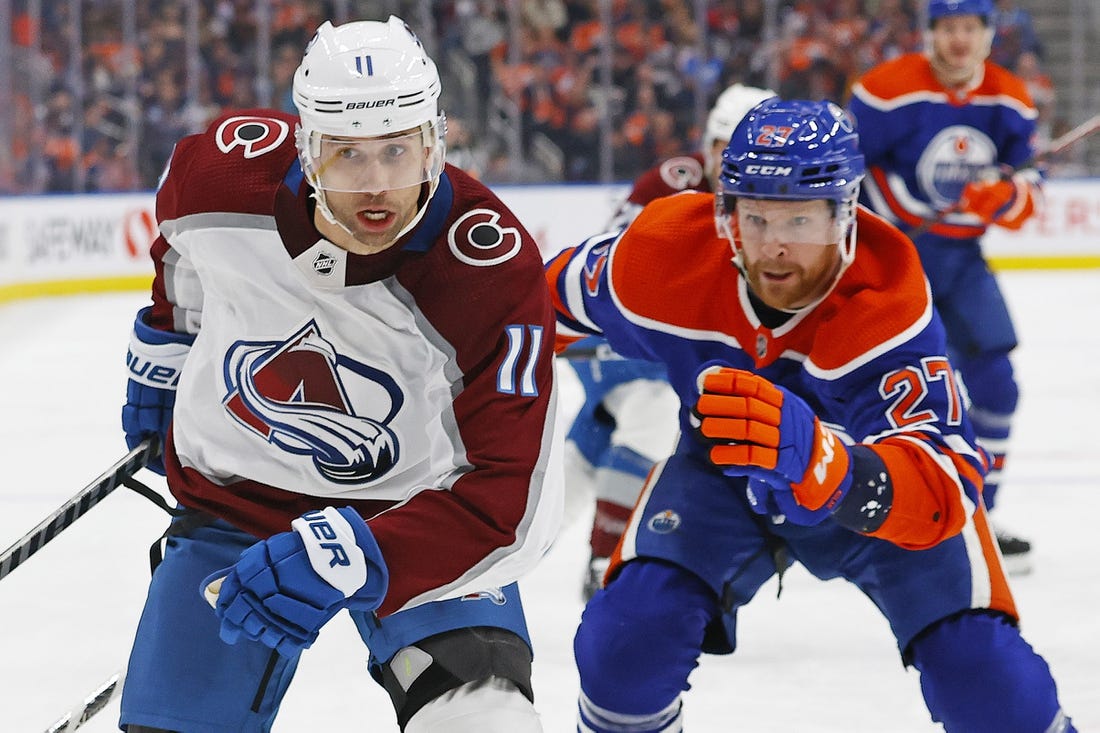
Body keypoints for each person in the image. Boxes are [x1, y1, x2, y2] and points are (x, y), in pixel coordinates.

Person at [545, 97, 1076, 733]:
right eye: (756, 219)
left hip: (867, 485)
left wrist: (829, 466)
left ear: (845, 214)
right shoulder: (665, 252)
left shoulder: (889, 302)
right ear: (726, 212)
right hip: (723, 474)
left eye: (801, 220)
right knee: (624, 646)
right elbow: (528, 300)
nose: (774, 249)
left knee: (989, 683)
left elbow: (945, 485)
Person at [119, 17, 562, 733]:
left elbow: (511, 501)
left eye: (398, 150)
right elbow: (181, 252)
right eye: (348, 154)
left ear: (435, 141)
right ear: (306, 145)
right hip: (236, 507)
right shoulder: (223, 173)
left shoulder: (489, 269)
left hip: (413, 514)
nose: (379, 183)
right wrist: (166, 347)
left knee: (490, 723)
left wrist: (360, 553)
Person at [847, 0, 1042, 573]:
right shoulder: (886, 89)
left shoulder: (1009, 97)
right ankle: (884, 510)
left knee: (997, 386)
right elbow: (847, 171)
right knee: (901, 390)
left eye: (971, 28)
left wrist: (1003, 198)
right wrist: (908, 211)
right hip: (891, 259)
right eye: (948, 28)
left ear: (988, 35)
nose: (959, 40)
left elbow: (1030, 180)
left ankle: (979, 512)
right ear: (930, 34)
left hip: (960, 261)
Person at [565, 84, 776, 601]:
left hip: (670, 346)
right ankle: (601, 558)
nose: (737, 160)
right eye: (728, 146)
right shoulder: (676, 181)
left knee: (586, 454)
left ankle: (504, 544)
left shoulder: (773, 207)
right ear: (710, 146)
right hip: (625, 333)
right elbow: (615, 258)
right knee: (653, 412)